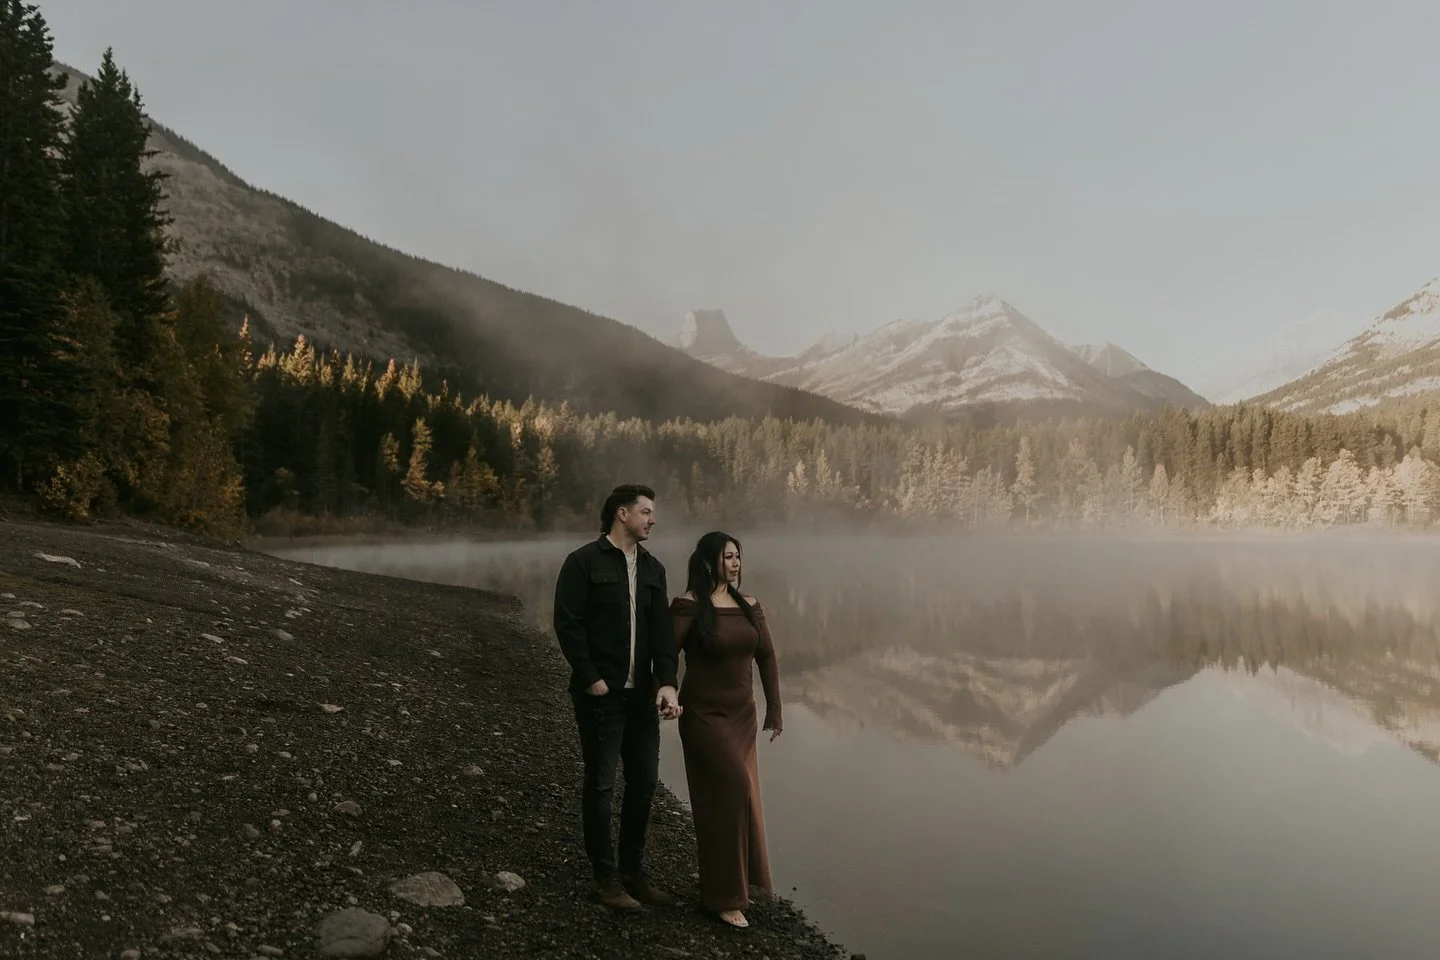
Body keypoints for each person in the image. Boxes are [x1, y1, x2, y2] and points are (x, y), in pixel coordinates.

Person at [553, 484, 683, 911]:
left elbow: (662, 633)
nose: (652, 519)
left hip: (641, 697)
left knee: (644, 783)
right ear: (622, 514)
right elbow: (568, 623)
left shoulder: (653, 569)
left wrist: (666, 681)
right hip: (601, 696)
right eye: (646, 512)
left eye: (653, 513)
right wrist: (589, 677)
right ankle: (604, 879)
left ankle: (632, 872)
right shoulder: (583, 562)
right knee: (602, 784)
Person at [668, 531, 782, 929]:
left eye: (738, 556)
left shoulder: (749, 605)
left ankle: (737, 884)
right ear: (707, 562)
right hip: (702, 715)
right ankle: (723, 898)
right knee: (732, 788)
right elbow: (666, 655)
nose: (735, 563)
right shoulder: (688, 605)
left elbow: (766, 656)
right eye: (727, 557)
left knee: (741, 796)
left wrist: (776, 710)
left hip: (742, 716)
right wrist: (664, 690)